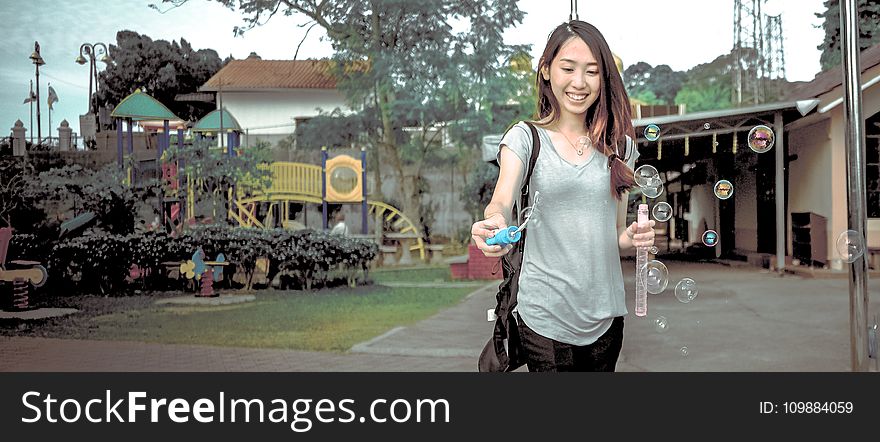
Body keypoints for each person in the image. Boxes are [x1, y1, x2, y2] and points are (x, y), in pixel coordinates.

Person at [471, 20, 656, 372]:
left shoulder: (621, 148)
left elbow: (614, 235)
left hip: (606, 316)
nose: (579, 83)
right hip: (544, 314)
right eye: (568, 68)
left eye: (592, 72)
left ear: (604, 79)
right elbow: (502, 199)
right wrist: (494, 220)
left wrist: (631, 238)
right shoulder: (526, 138)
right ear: (546, 70)